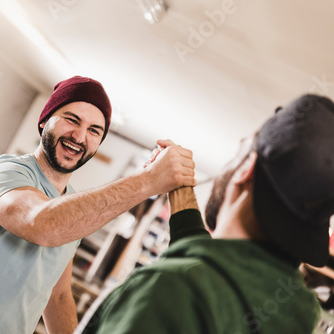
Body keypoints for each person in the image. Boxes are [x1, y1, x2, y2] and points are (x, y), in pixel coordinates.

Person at [0, 76, 197, 334]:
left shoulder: (69, 206)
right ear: (45, 120)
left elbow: (57, 295)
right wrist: (146, 182)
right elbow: (41, 224)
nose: (80, 137)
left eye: (95, 130)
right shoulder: (6, 172)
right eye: (72, 119)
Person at [82, 93, 334, 333]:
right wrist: (180, 189)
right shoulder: (297, 312)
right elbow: (220, 277)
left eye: (241, 150)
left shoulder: (169, 291)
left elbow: (201, 283)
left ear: (247, 167)